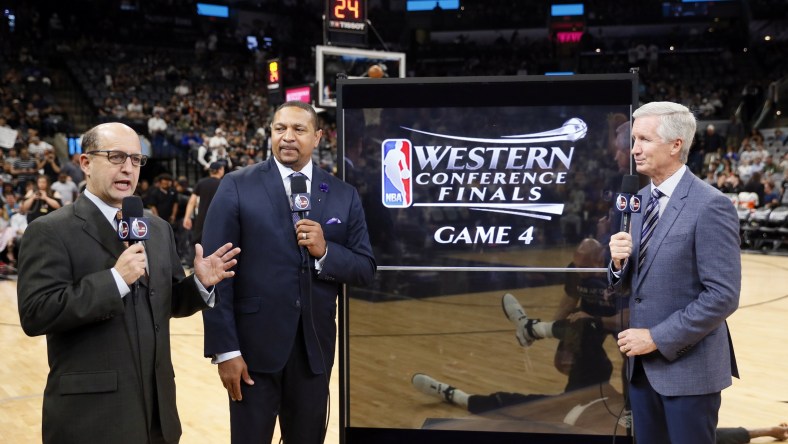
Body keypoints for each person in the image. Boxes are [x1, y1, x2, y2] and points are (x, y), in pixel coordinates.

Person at [16, 122, 241, 444]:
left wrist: (199, 284)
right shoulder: (50, 230)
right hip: (92, 417)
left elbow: (169, 302)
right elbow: (36, 313)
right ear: (85, 163)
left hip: (157, 413)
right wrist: (115, 280)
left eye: (136, 160)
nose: (128, 168)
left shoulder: (157, 228)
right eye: (116, 157)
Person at [202, 101, 376, 444]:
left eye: (299, 129)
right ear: (270, 134)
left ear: (318, 137)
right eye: (280, 128)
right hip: (251, 354)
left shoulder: (343, 194)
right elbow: (214, 275)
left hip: (314, 354)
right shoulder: (237, 186)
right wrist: (225, 350)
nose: (288, 137)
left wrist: (326, 252)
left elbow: (365, 268)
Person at [608, 102, 740, 444]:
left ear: (675, 144)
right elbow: (632, 285)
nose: (633, 148)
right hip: (641, 372)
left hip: (689, 373)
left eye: (644, 139)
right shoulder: (637, 201)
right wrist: (617, 264)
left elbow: (722, 296)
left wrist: (656, 337)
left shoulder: (711, 205)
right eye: (633, 139)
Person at [183, 161, 224, 247]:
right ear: (220, 170)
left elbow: (191, 201)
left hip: (201, 219)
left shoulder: (201, 182)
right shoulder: (223, 184)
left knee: (198, 246)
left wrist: (187, 217)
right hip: (217, 219)